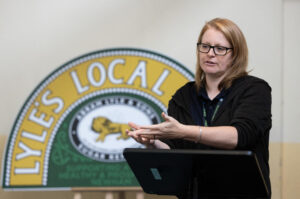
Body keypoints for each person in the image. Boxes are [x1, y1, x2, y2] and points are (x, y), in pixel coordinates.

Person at [127, 18, 272, 199]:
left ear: (235, 54)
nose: (210, 54)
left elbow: (239, 136)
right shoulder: (184, 95)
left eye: (220, 48)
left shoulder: (254, 89)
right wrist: (152, 143)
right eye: (205, 46)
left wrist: (183, 131)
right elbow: (174, 151)